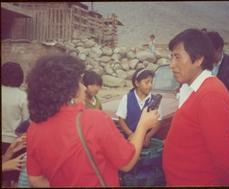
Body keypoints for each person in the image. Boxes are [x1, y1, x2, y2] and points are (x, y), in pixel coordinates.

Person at [26, 55, 159, 187]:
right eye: (79, 82)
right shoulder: (95, 120)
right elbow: (127, 162)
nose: (84, 88)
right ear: (66, 90)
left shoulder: (34, 128)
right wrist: (143, 126)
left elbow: (36, 179)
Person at [162, 28, 229, 186]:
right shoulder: (189, 89)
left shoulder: (211, 96)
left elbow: (225, 161)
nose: (172, 65)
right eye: (171, 57)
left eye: (177, 57)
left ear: (198, 60)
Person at [116, 68, 162, 147]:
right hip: (130, 141)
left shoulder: (155, 100)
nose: (150, 85)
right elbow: (121, 119)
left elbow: (158, 122)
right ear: (137, 83)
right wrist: (130, 134)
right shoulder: (127, 98)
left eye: (151, 82)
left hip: (147, 142)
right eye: (147, 82)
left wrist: (148, 136)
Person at [1, 62, 29, 186]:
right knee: (12, 178)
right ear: (20, 77)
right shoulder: (22, 97)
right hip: (15, 144)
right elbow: (26, 122)